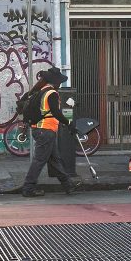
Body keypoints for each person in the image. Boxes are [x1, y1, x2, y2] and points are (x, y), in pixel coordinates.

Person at [21, 67, 83, 198]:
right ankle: (28, 188)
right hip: (46, 131)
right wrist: (68, 124)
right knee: (39, 160)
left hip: (41, 130)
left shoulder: (41, 91)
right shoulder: (52, 94)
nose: (60, 84)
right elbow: (56, 112)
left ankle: (68, 185)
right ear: (56, 82)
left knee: (55, 159)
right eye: (60, 82)